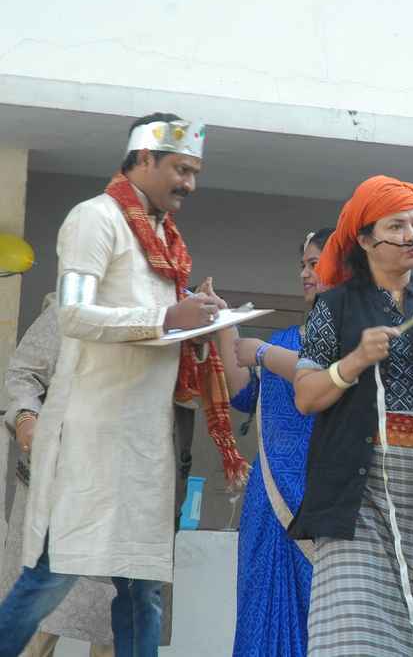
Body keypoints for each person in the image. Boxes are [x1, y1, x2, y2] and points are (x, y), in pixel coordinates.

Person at [0, 113, 248, 657]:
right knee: (50, 582)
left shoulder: (165, 243)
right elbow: (74, 315)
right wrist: (168, 318)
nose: (190, 184)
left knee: (142, 594)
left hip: (145, 449)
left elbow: (158, 343)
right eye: (180, 169)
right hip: (90, 442)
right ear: (143, 159)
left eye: (195, 172)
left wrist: (199, 327)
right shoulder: (95, 219)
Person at [289, 175, 413, 656]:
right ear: (364, 239)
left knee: (408, 632)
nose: (411, 236)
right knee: (351, 628)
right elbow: (306, 396)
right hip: (356, 489)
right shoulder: (335, 306)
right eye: (396, 226)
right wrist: (355, 361)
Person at [210, 228, 332, 657]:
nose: (305, 273)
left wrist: (263, 353)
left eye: (315, 264)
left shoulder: (353, 333)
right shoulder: (283, 340)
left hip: (321, 498)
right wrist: (225, 325)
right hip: (270, 499)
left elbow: (335, 375)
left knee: (322, 622)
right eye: (302, 265)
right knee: (259, 612)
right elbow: (244, 395)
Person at [1, 294, 115, 657]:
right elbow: (25, 373)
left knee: (117, 628)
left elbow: (190, 393)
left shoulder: (171, 310)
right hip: (58, 488)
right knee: (37, 627)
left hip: (125, 497)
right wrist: (26, 418)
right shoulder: (74, 305)